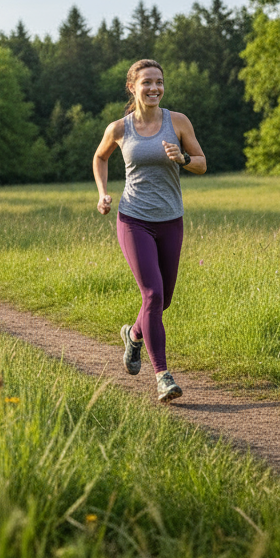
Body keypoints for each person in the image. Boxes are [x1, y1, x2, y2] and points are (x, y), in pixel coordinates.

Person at [93, 59, 206, 401]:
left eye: (159, 81)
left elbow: (202, 163)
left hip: (171, 219)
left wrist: (183, 159)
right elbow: (100, 157)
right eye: (147, 82)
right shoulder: (119, 128)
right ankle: (163, 376)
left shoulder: (178, 122)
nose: (154, 88)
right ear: (133, 87)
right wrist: (102, 193)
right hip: (134, 219)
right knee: (153, 295)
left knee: (163, 299)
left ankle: (133, 335)